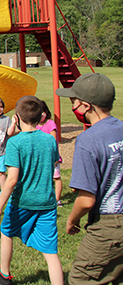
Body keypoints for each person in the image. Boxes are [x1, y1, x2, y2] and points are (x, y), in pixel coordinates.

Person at [0, 96, 63, 285]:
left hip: (22, 202)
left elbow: (11, 180)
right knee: (50, 252)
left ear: (16, 119)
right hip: (47, 203)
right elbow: (52, 166)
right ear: (40, 116)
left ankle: (4, 275)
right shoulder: (50, 140)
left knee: (6, 232)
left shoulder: (15, 143)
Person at [55, 73, 123, 284]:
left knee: (80, 279)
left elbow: (86, 200)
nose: (72, 105)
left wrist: (71, 220)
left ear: (86, 106)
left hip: (109, 224)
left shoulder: (87, 139)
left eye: (73, 101)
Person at [36, 100, 62, 206]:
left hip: (52, 157)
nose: (42, 114)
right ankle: (43, 197)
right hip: (39, 158)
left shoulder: (50, 124)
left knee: (56, 177)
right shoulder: (34, 125)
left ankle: (57, 199)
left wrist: (54, 157)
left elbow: (53, 142)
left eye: (43, 112)